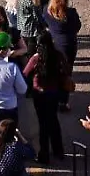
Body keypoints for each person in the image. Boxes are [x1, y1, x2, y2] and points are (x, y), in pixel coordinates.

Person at [23, 31, 66, 164]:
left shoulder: (36, 58)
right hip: (54, 93)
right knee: (53, 120)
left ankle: (44, 154)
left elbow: (25, 73)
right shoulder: (58, 55)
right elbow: (65, 70)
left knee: (43, 124)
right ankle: (58, 150)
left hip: (39, 94)